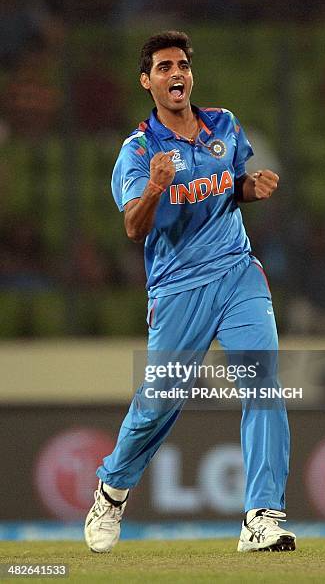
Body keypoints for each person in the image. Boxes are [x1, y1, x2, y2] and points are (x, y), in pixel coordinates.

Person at [84, 30, 296, 553]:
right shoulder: (138, 150)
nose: (175, 73)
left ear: (190, 74)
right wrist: (155, 187)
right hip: (178, 289)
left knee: (263, 383)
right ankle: (111, 492)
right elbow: (135, 229)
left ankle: (261, 517)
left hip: (238, 272)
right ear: (146, 81)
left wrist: (252, 187)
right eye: (163, 67)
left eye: (182, 65)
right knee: (160, 402)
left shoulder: (224, 124)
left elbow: (231, 183)